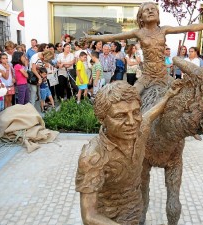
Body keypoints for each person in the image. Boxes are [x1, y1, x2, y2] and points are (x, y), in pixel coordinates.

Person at [75, 80, 181, 225]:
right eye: (120, 116)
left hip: (135, 212)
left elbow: (149, 116)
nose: (132, 122)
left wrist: (168, 96)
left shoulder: (140, 131)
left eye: (136, 112)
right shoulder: (93, 156)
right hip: (108, 219)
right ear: (102, 119)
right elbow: (89, 216)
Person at [83, 2, 203, 93]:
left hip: (163, 75)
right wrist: (92, 38)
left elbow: (189, 27)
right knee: (132, 97)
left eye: (153, 9)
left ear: (158, 15)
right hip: (147, 76)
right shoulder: (138, 32)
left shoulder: (163, 30)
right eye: (146, 10)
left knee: (185, 95)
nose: (150, 11)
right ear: (141, 18)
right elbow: (112, 37)